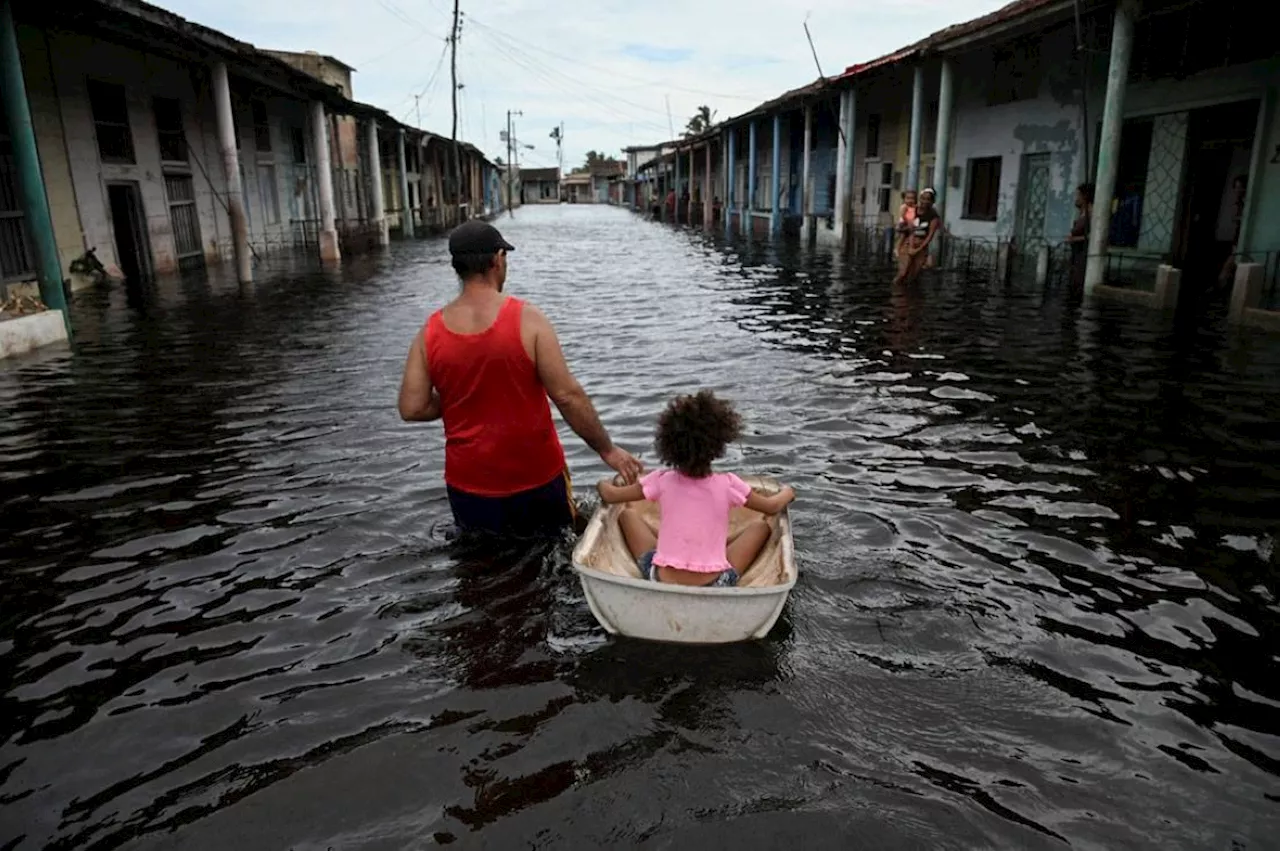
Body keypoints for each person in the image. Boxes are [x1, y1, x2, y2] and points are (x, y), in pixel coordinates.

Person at [397, 219, 643, 537]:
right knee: (551, 557)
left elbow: (412, 407)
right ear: (498, 259)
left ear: (457, 267)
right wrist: (607, 449)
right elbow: (567, 395)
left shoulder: (429, 332)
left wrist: (465, 395)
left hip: (470, 483)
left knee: (480, 570)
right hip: (536, 477)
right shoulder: (528, 320)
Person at [596, 390, 796, 587]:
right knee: (760, 527)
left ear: (668, 444)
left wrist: (602, 484)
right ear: (718, 445)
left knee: (627, 515)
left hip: (660, 578)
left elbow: (611, 495)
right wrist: (788, 492)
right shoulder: (728, 484)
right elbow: (771, 507)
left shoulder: (661, 481)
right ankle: (717, 546)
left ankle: (676, 547)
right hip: (716, 584)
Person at [893, 187, 941, 285]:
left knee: (912, 276)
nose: (925, 201)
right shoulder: (912, 210)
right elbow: (900, 227)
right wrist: (906, 229)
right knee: (903, 273)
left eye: (928, 199)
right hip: (907, 243)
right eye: (923, 198)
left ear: (932, 201)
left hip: (921, 246)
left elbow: (930, 236)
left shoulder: (933, 217)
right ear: (920, 199)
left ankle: (908, 298)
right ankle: (895, 294)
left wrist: (918, 249)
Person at [1066, 182, 1094, 291]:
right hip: (1076, 255)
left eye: (1078, 195)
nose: (1076, 198)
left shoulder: (1091, 212)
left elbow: (1094, 237)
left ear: (1085, 196)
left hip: (1083, 256)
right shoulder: (1082, 213)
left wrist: (1074, 239)